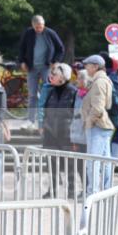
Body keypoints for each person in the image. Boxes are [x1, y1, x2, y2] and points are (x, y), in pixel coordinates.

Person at [18, 14, 65, 129]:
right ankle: (30, 120)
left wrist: (55, 61)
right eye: (37, 27)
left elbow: (60, 48)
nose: (39, 29)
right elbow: (21, 48)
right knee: (32, 95)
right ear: (32, 25)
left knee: (48, 92)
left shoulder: (50, 33)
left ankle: (47, 119)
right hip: (32, 67)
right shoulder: (28, 33)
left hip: (46, 67)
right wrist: (22, 62)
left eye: (41, 26)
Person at [40, 63, 79, 198]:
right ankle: (53, 190)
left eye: (55, 74)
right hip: (51, 132)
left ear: (63, 76)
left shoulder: (73, 92)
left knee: (69, 162)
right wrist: (43, 125)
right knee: (51, 162)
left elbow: (76, 113)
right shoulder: (50, 91)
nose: (51, 76)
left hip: (66, 132)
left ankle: (71, 190)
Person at [80, 55, 114, 194]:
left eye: (87, 65)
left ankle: (92, 193)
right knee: (105, 161)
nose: (86, 67)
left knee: (93, 162)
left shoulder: (99, 82)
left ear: (95, 66)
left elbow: (98, 108)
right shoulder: (102, 80)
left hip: (97, 126)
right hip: (101, 125)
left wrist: (88, 121)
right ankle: (106, 191)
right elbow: (107, 105)